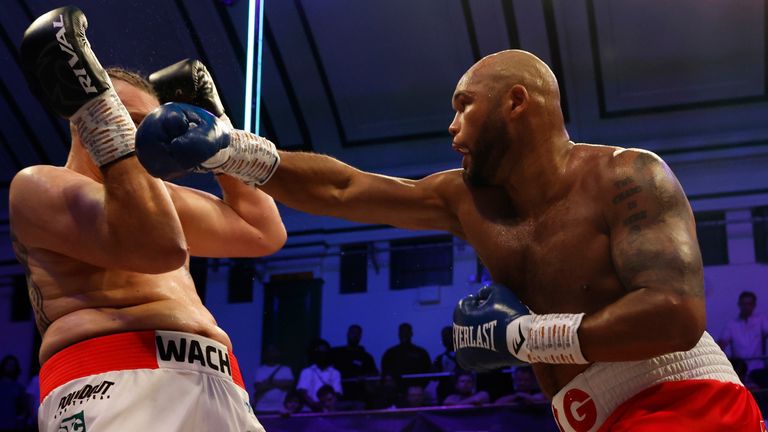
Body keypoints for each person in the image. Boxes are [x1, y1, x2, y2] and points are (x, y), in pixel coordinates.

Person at [136, 48, 763, 430]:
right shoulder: (465, 201)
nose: (451, 125)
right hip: (593, 417)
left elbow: (676, 314)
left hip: (685, 401)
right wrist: (232, 150)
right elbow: (346, 191)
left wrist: (524, 337)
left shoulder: (627, 174)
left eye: (464, 106)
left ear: (517, 103)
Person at [13, 7, 285, 432]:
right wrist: (105, 116)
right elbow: (157, 248)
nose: (138, 137)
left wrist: (218, 135)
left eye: (147, 126)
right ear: (85, 113)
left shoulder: (162, 199)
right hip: (109, 382)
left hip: (219, 383)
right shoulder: (40, 186)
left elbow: (263, 232)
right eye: (124, 120)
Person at [718, 291, 768, 373]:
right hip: (739, 371)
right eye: (743, 304)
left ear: (754, 305)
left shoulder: (761, 320)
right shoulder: (732, 324)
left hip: (758, 369)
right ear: (739, 305)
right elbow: (722, 343)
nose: (746, 307)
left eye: (749, 304)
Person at [331, 324, 378, 405]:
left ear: (360, 336)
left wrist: (365, 377)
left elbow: (374, 375)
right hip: (339, 396)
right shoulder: (336, 353)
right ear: (347, 334)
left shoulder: (366, 357)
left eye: (357, 333)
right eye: (352, 333)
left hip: (359, 397)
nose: (354, 335)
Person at [296, 339, 343, 412]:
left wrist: (327, 405)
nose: (322, 355)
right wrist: (314, 405)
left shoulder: (335, 373)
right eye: (319, 353)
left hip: (329, 411)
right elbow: (302, 392)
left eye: (324, 353)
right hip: (309, 411)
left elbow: (337, 393)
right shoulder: (306, 371)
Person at [252, 345, 294, 414]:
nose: (271, 354)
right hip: (262, 408)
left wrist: (269, 382)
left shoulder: (286, 369)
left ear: (278, 353)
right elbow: (258, 387)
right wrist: (279, 383)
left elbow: (289, 384)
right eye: (269, 352)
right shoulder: (260, 370)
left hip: (281, 409)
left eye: (274, 351)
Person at [0, 355, 29, 431]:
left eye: (13, 365)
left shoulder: (19, 388)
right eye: (8, 365)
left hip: (11, 425)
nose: (10, 367)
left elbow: (22, 411)